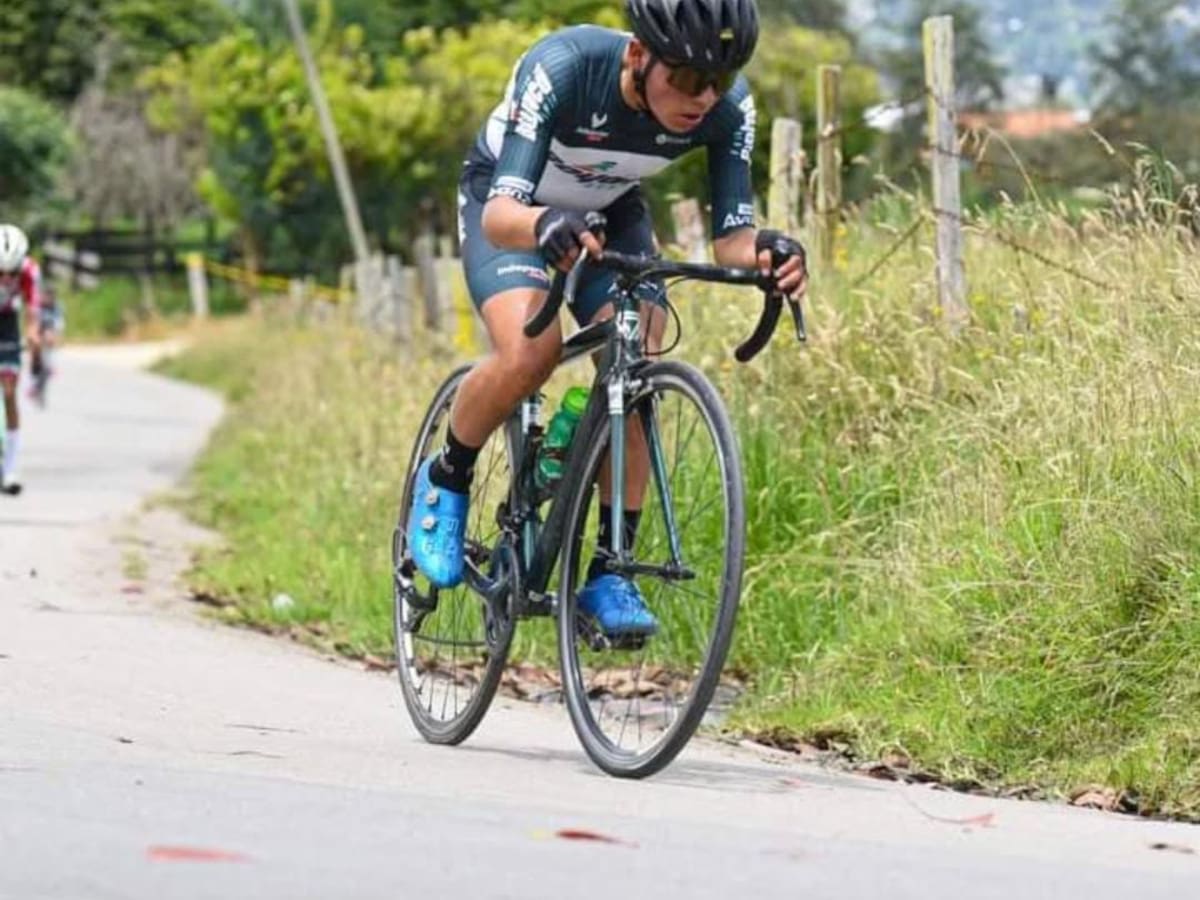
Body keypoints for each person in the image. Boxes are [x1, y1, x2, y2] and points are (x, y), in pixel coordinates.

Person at [406, 0, 807, 638]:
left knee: (636, 364)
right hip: (513, 206)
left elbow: (734, 240)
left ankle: (608, 569)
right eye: (685, 78)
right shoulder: (564, 68)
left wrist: (772, 253)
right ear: (637, 56)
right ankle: (448, 474)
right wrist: (543, 224)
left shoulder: (729, 109)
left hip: (608, 212)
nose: (703, 97)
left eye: (719, 81)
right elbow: (500, 214)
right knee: (530, 355)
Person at [0, 224, 42, 495]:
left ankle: (10, 469)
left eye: (10, 273)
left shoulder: (29, 271)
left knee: (9, 391)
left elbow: (32, 309)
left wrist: (32, 334)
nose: (5, 278)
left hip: (7, 323)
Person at [29, 279, 64, 408]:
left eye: (51, 295)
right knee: (35, 355)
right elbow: (33, 322)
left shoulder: (57, 307)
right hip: (38, 332)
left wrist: (55, 336)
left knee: (48, 366)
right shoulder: (37, 305)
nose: (48, 298)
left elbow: (59, 325)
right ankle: (34, 381)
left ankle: (40, 386)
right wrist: (34, 336)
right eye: (45, 295)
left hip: (50, 334)